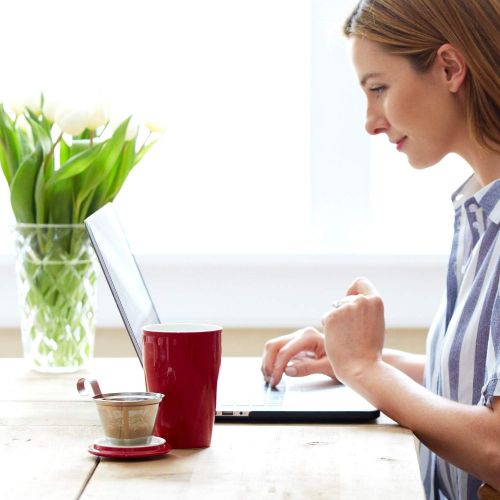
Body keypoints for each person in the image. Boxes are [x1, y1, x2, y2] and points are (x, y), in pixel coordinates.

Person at [261, 1, 500, 498]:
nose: (371, 122)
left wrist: (365, 371)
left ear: (450, 68)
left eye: (379, 89)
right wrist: (352, 357)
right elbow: (472, 381)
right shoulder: (479, 214)